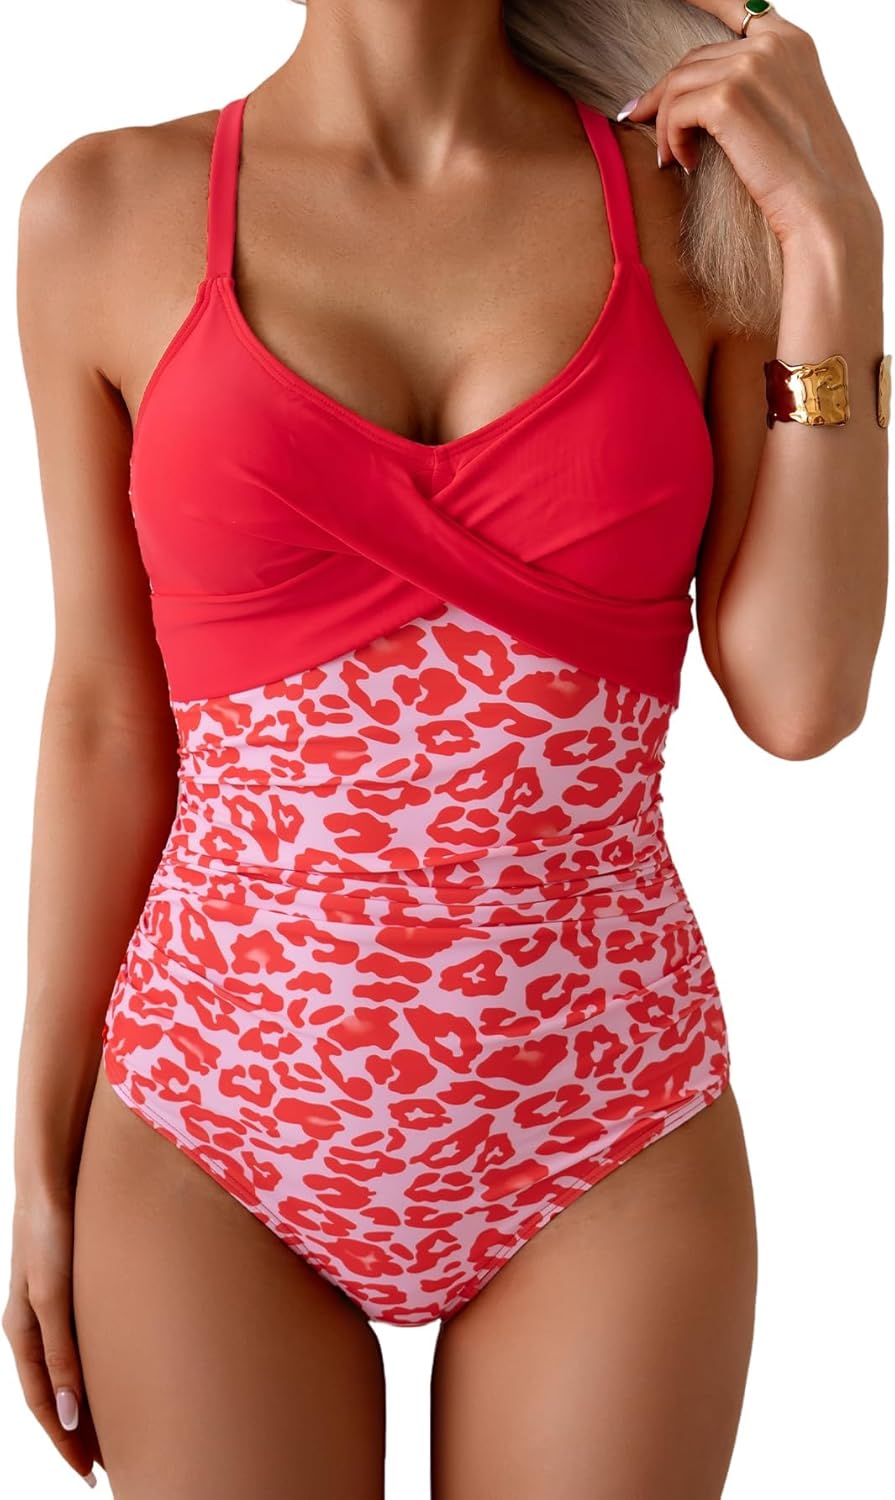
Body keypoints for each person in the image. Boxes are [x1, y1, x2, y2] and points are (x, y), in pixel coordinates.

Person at [4, 0, 887, 1495]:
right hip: (211, 1126)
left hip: (603, 1119)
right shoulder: (100, 213)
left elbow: (801, 699)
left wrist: (838, 246)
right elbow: (102, 710)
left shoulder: (692, 209)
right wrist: (38, 1149)